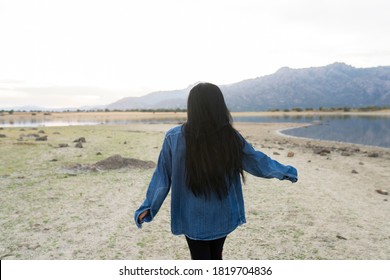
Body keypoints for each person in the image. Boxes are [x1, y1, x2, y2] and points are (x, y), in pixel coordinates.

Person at [134, 82, 298, 260]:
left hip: (192, 217)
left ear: (192, 107)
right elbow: (257, 161)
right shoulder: (229, 136)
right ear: (219, 106)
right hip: (223, 215)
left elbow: (162, 176)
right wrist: (286, 172)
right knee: (215, 256)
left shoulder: (174, 137)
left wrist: (149, 207)